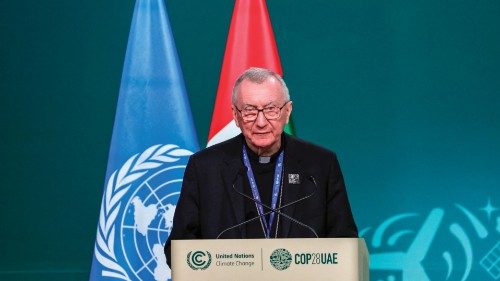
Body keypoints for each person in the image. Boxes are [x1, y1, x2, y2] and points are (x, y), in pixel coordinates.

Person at [164, 67, 358, 267]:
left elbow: (345, 245)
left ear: (287, 111)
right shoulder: (205, 167)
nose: (261, 122)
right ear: (235, 115)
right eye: (249, 111)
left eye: (271, 109)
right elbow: (179, 249)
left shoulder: (320, 165)